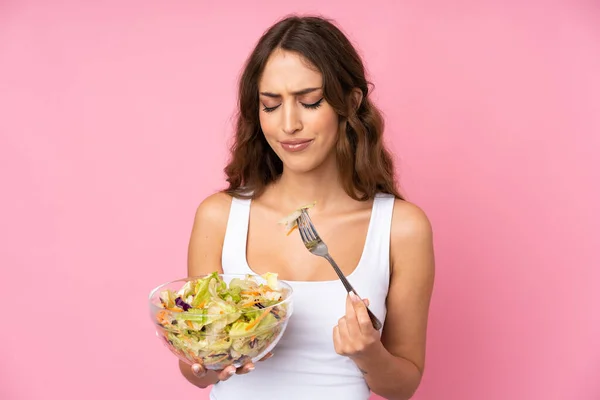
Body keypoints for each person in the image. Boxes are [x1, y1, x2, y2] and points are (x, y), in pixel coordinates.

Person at [178, 14, 435, 400]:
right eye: (270, 105)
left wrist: (370, 354)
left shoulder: (401, 228)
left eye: (310, 102)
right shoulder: (219, 217)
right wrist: (207, 363)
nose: (289, 124)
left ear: (350, 102)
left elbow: (403, 385)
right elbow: (198, 369)